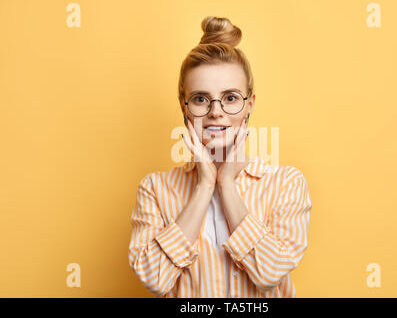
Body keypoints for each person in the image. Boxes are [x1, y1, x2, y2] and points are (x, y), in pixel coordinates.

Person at [128, 16, 312, 298]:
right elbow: (154, 279)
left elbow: (271, 273)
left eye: (230, 97)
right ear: (184, 106)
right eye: (201, 98)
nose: (216, 111)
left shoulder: (287, 183)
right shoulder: (155, 188)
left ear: (249, 104)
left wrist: (226, 184)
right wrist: (204, 186)